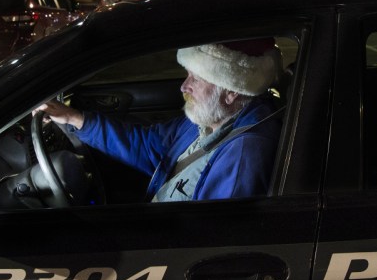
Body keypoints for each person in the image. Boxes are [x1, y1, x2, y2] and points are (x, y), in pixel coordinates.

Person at [37, 38, 284, 202]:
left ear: (231, 91)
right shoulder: (207, 120)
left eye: (196, 79)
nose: (184, 86)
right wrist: (73, 117)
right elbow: (147, 146)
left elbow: (211, 235)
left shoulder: (244, 153)